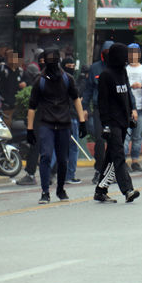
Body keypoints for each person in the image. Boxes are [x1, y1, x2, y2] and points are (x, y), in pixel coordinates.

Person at [26, 48, 87, 204]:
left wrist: (82, 121)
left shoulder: (68, 79)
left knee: (62, 159)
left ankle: (60, 189)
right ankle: (45, 192)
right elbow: (32, 106)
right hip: (46, 124)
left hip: (64, 124)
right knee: (46, 156)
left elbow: (76, 99)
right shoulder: (40, 81)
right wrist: (30, 129)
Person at [94, 43, 140, 203]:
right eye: (124, 55)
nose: (126, 59)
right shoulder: (106, 75)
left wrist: (130, 117)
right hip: (111, 122)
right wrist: (105, 124)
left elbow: (126, 96)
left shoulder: (123, 72)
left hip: (122, 122)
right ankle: (127, 190)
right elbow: (103, 102)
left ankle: (101, 190)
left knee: (111, 157)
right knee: (119, 155)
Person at [83, 40, 114, 184]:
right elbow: (88, 89)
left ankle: (112, 171)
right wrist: (84, 108)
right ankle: (99, 170)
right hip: (99, 110)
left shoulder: (119, 67)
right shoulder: (95, 68)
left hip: (115, 110)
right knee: (100, 141)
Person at [124, 44, 142, 173]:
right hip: (126, 108)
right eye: (131, 53)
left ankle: (135, 161)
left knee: (137, 136)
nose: (133, 56)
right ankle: (123, 161)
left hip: (141, 108)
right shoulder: (123, 69)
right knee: (125, 136)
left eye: (136, 53)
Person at [61, 56, 82, 184]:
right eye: (69, 66)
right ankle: (69, 175)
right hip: (70, 117)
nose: (71, 69)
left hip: (62, 117)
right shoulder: (71, 80)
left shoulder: (58, 79)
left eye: (73, 66)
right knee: (73, 147)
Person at [0, 50, 27, 127]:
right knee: (7, 120)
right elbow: (0, 88)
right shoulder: (4, 71)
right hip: (7, 102)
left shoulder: (20, 71)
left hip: (18, 102)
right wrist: (6, 99)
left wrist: (24, 83)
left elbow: (28, 81)